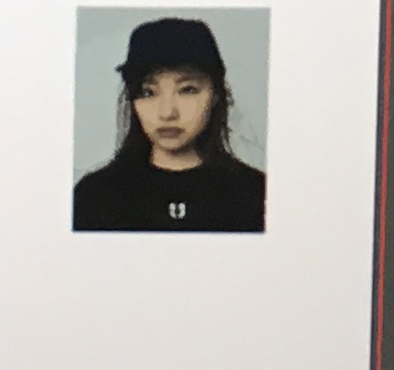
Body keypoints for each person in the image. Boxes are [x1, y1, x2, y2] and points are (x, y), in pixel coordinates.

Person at [72, 15, 267, 232]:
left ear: (215, 95)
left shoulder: (255, 194)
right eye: (148, 92)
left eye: (187, 90)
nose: (167, 113)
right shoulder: (94, 197)